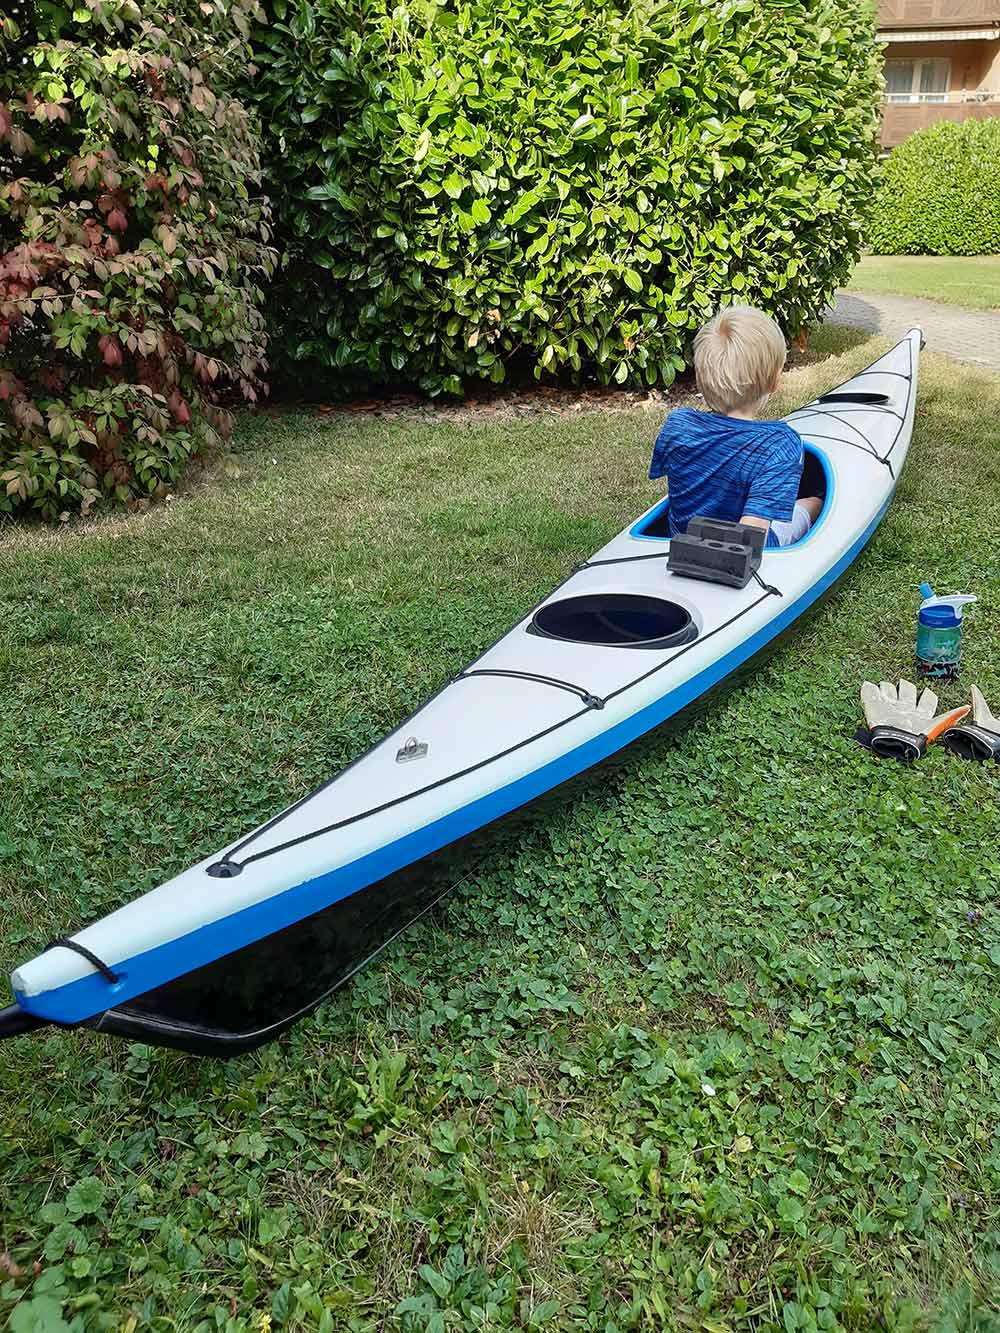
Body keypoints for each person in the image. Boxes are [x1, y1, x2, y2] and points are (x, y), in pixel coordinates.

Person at [649, 306, 822, 548]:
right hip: (742, 554)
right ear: (774, 382)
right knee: (813, 503)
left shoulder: (678, 425)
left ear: (700, 377)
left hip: (681, 541)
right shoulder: (780, 444)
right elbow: (750, 541)